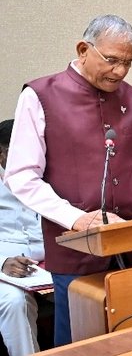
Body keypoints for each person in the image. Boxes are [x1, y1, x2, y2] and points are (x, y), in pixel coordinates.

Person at [4, 14, 132, 346]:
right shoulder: (40, 95)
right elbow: (21, 175)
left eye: (128, 63)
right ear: (83, 49)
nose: (120, 72)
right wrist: (76, 218)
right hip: (74, 249)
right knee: (82, 342)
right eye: (111, 60)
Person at [0, 119, 46, 356]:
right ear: (2, 153)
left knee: (90, 292)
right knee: (15, 302)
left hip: (46, 264)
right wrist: (2, 262)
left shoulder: (44, 177)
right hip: (5, 268)